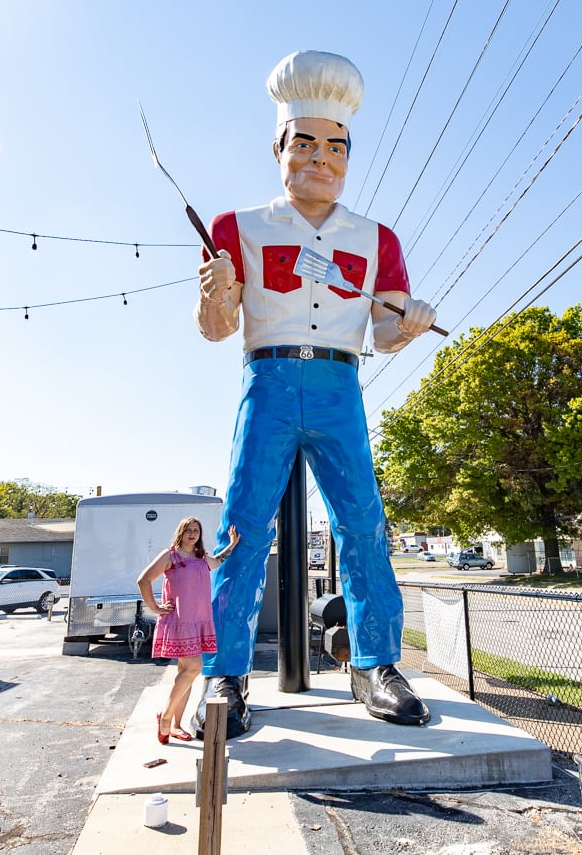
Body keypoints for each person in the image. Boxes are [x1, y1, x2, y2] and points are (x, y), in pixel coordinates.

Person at [191, 49, 439, 738]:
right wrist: (212, 299)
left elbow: (385, 329)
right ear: (278, 147)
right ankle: (226, 671)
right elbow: (217, 328)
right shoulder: (235, 228)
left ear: (349, 155)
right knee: (242, 525)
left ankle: (376, 662)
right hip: (267, 377)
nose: (322, 160)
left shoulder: (376, 238)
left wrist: (407, 323)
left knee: (363, 522)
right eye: (306, 144)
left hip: (339, 380)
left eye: (337, 147)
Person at [137, 517, 238, 743]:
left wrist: (232, 544)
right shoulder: (170, 556)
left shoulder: (201, 558)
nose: (192, 534)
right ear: (180, 533)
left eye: (196, 531)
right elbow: (143, 580)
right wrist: (155, 607)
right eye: (188, 530)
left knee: (186, 673)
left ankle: (175, 725)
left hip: (199, 622)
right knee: (194, 667)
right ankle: (165, 718)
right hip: (180, 622)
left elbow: (218, 561)